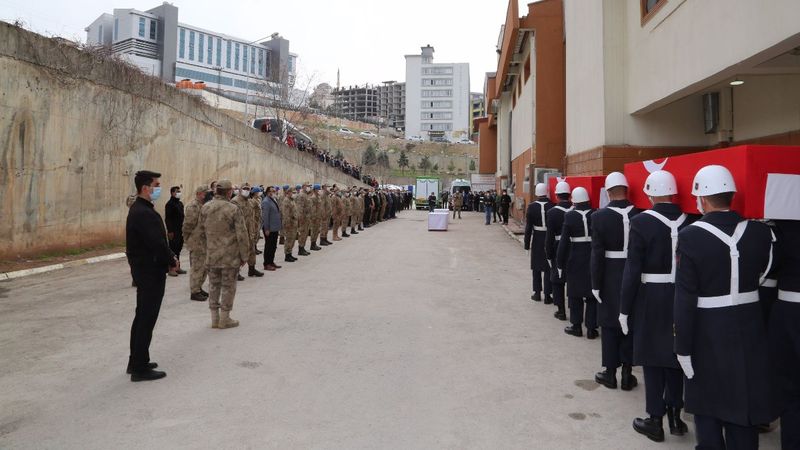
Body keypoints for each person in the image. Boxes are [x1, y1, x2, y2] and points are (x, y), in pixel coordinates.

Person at [674, 165, 775, 450]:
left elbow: (684, 298)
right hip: (750, 328)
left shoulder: (690, 236)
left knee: (708, 407)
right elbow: (765, 273)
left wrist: (682, 347)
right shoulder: (761, 232)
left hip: (707, 332)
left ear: (702, 199)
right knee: (744, 404)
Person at [619, 170, 690, 442]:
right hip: (682, 295)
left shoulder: (640, 222)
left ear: (650, 194)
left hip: (651, 296)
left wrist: (624, 308)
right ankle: (675, 416)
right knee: (676, 356)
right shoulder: (690, 220)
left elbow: (632, 269)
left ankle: (655, 418)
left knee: (652, 358)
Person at [590, 172, 641, 392]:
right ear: (626, 190)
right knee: (630, 322)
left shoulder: (599, 217)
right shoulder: (640, 214)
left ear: (608, 193)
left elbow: (597, 254)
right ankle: (627, 374)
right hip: (635, 274)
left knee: (609, 324)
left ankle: (610, 372)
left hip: (610, 274)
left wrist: (595, 283)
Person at [125, 170, 176, 382]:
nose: (159, 188)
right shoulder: (143, 212)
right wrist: (172, 259)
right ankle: (139, 368)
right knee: (146, 318)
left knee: (142, 317)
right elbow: (157, 243)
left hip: (145, 271)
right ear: (145, 188)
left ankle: (136, 360)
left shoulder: (141, 209)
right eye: (156, 185)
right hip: (150, 272)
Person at [198, 180, 249, 329]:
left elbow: (201, 232)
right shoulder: (233, 209)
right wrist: (244, 255)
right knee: (228, 286)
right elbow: (242, 234)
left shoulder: (205, 207)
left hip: (212, 254)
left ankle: (215, 318)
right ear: (228, 192)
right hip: (229, 256)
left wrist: (205, 251)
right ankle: (225, 318)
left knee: (213, 286)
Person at [769, 220, 800, 449]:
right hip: (788, 309)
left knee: (790, 386)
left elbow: (769, 265)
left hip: (789, 309)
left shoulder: (783, 226)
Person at [558, 187, 598, 339]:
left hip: (575, 257)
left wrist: (560, 263)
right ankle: (591, 328)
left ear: (574, 200)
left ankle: (576, 326)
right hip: (593, 256)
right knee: (592, 293)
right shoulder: (596, 213)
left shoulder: (570, 216)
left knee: (575, 294)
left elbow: (563, 243)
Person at [545, 181, 572, 321]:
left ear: (556, 195)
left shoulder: (552, 212)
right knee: (572, 279)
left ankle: (561, 310)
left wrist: (549, 254)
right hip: (574, 247)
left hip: (558, 246)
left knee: (557, 280)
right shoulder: (575, 210)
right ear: (569, 195)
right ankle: (574, 309)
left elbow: (549, 236)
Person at [524, 183, 553, 303]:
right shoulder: (552, 205)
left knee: (536, 267)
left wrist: (526, 245)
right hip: (549, 237)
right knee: (548, 267)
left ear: (536, 193)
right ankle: (548, 295)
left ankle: (537, 293)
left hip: (537, 237)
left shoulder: (531, 207)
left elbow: (528, 228)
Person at [182, 185, 210, 301]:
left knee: (204, 267)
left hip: (204, 242)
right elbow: (188, 225)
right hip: (197, 242)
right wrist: (187, 238)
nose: (207, 195)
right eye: (205, 193)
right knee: (197, 268)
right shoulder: (193, 206)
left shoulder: (204, 205)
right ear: (199, 194)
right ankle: (194, 291)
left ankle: (199, 287)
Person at [231, 183, 263, 278]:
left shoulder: (249, 201)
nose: (246, 191)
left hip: (250, 230)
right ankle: (236, 272)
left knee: (251, 251)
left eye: (248, 189)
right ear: (240, 190)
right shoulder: (235, 201)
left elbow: (253, 215)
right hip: (240, 232)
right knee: (238, 252)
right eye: (244, 189)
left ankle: (252, 269)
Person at [164, 186, 186, 277]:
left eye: (179, 191)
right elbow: (168, 218)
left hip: (180, 229)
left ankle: (177, 267)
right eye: (177, 191)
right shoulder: (169, 204)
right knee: (173, 250)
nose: (179, 193)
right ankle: (171, 268)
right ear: (172, 193)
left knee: (178, 249)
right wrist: (170, 231)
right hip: (173, 230)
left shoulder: (180, 203)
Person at [260, 186, 282, 271]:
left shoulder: (272, 199)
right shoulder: (266, 201)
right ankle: (267, 264)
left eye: (274, 191)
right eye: (272, 191)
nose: (273, 192)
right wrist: (266, 228)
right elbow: (265, 216)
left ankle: (271, 261)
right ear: (268, 192)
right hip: (269, 228)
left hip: (274, 227)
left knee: (273, 246)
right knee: (269, 246)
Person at [281, 186, 299, 261]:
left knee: (292, 239)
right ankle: (287, 255)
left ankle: (290, 253)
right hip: (289, 224)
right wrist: (288, 224)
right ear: (288, 192)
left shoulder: (292, 200)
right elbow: (286, 214)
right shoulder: (286, 201)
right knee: (288, 239)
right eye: (293, 192)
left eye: (295, 192)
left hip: (293, 223)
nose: (294, 194)